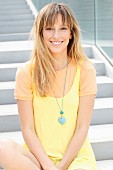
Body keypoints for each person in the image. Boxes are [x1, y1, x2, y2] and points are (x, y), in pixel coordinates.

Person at [0, 2, 97, 170]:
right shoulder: (26, 72)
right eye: (50, 28)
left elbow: (82, 127)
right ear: (41, 33)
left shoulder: (86, 70)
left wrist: (60, 167)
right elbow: (28, 129)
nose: (56, 35)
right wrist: (48, 166)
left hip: (76, 159)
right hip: (38, 159)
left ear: (72, 33)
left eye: (63, 28)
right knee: (3, 147)